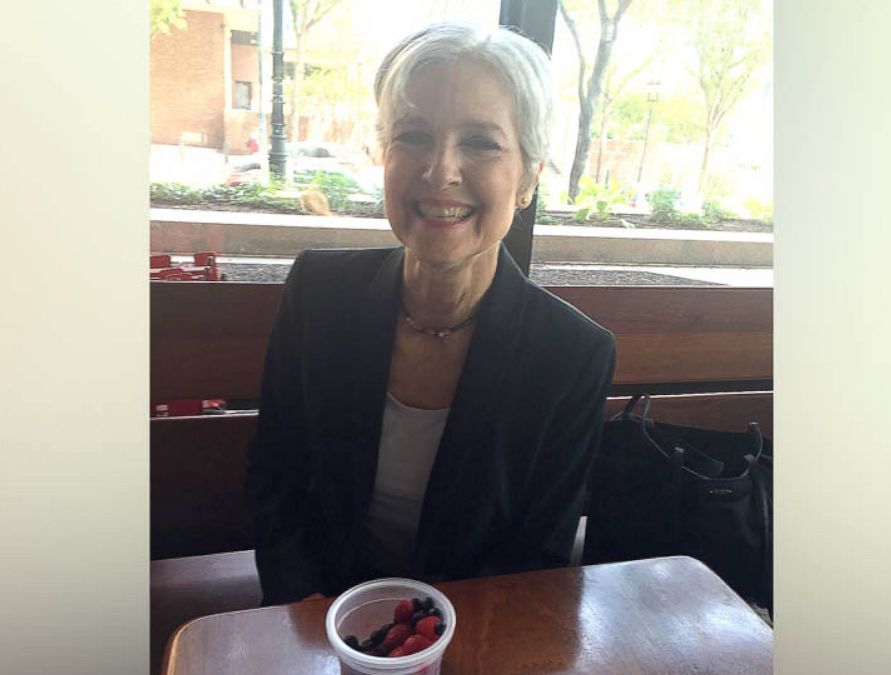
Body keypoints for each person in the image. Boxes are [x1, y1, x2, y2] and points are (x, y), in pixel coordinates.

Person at [246, 21, 616, 605]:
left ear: (528, 179)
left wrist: (418, 641)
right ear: (383, 153)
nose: (440, 169)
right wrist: (308, 613)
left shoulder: (572, 355)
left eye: (481, 142)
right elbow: (277, 482)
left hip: (469, 639)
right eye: (413, 134)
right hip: (317, 620)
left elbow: (534, 554)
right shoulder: (318, 294)